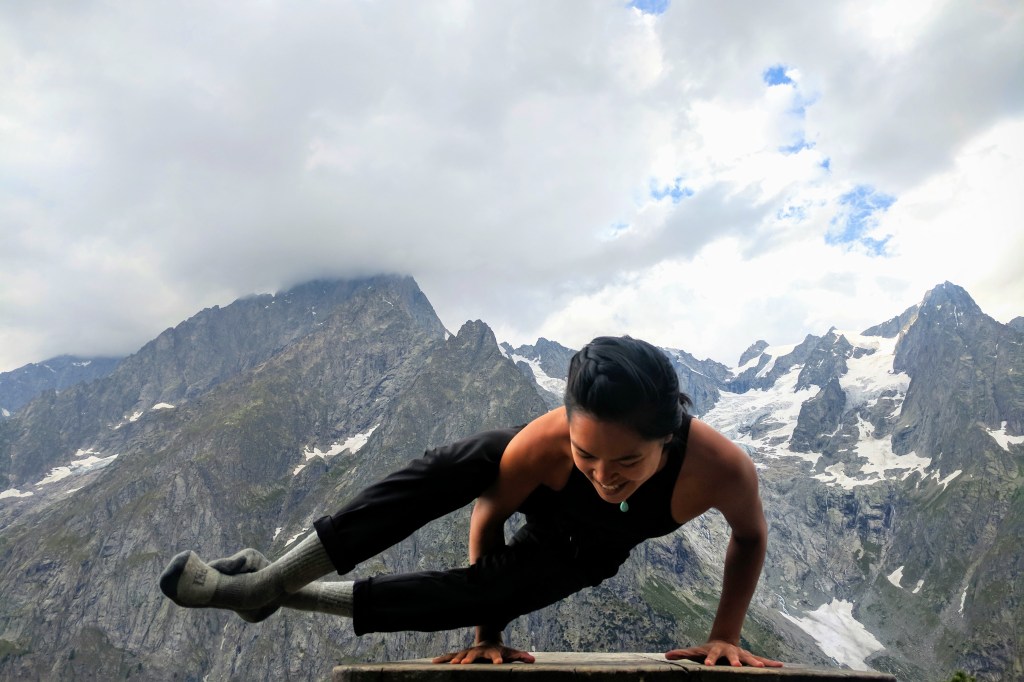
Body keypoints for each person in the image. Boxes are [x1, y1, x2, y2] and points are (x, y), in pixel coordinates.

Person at [160, 335, 782, 668]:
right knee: (460, 464)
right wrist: (488, 633)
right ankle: (263, 580)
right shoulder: (545, 444)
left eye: (626, 462)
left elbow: (749, 538)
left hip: (586, 550)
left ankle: (261, 591)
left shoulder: (720, 469)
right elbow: (489, 513)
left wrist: (723, 634)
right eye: (585, 453)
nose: (602, 475)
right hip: (533, 495)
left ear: (668, 437)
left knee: (476, 590)